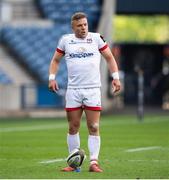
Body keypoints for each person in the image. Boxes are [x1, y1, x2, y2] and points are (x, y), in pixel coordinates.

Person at [48, 12, 121, 172]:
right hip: (73, 90)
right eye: (80, 25)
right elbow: (55, 60)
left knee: (94, 126)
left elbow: (109, 57)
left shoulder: (96, 39)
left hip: (93, 89)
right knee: (73, 126)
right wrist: (52, 77)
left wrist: (115, 77)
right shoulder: (66, 41)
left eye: (85, 25)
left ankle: (94, 162)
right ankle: (73, 164)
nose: (83, 28)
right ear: (73, 27)